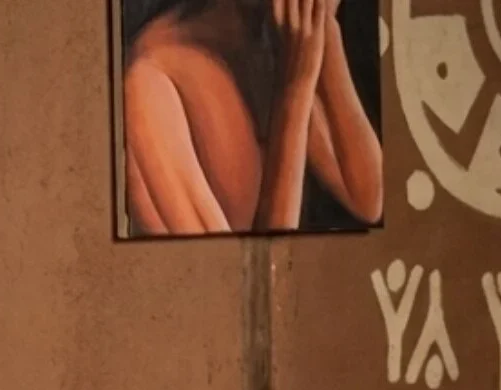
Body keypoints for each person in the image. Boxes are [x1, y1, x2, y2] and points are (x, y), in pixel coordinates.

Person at [122, 0, 382, 233]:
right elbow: (244, 260)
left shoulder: (272, 42)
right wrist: (294, 92)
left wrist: (324, 31)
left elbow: (368, 199)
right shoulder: (151, 81)